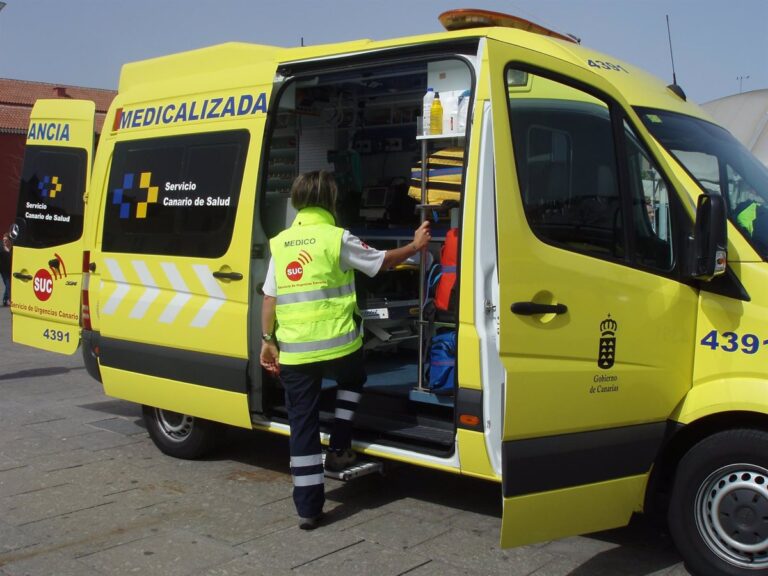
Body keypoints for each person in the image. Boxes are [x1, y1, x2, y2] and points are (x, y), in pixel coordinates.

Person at [260, 170, 431, 530]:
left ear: (296, 201)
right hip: (339, 346)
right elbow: (381, 261)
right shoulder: (336, 238)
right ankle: (339, 446)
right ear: (331, 201)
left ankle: (308, 509)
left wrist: (267, 341)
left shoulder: (281, 242)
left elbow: (270, 298)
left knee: (301, 425)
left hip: (294, 353)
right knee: (354, 378)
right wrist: (415, 247)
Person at [1, 233, 12, 307]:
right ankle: (8, 300)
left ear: (9, 240)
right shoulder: (1, 247)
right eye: (3, 240)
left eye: (6, 240)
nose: (4, 241)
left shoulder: (12, 247)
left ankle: (5, 299)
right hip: (3, 270)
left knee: (9, 285)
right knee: (8, 285)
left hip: (10, 269)